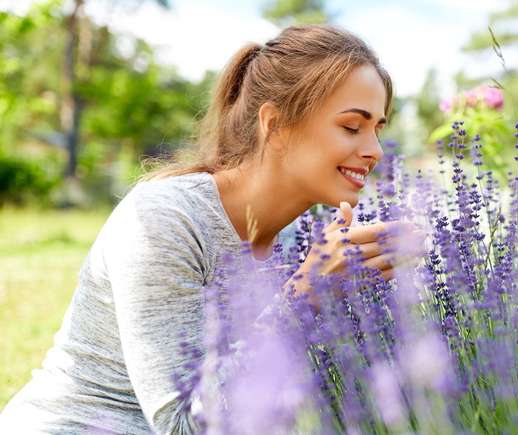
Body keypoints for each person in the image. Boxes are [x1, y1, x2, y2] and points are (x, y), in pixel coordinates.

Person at [0, 23, 420, 434]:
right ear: (275, 125)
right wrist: (305, 296)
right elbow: (182, 425)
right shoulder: (165, 220)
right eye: (352, 127)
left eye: (378, 130)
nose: (375, 151)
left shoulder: (305, 237)